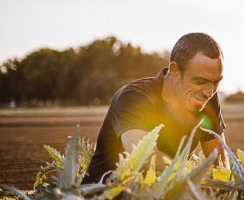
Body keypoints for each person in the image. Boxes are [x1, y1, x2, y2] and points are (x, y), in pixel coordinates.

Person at [83, 33, 228, 184]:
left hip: (163, 196)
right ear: (174, 71)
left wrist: (223, 191)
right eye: (200, 81)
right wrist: (199, 180)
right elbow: (146, 157)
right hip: (105, 198)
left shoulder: (206, 99)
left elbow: (220, 160)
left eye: (216, 82)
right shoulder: (134, 97)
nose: (209, 92)